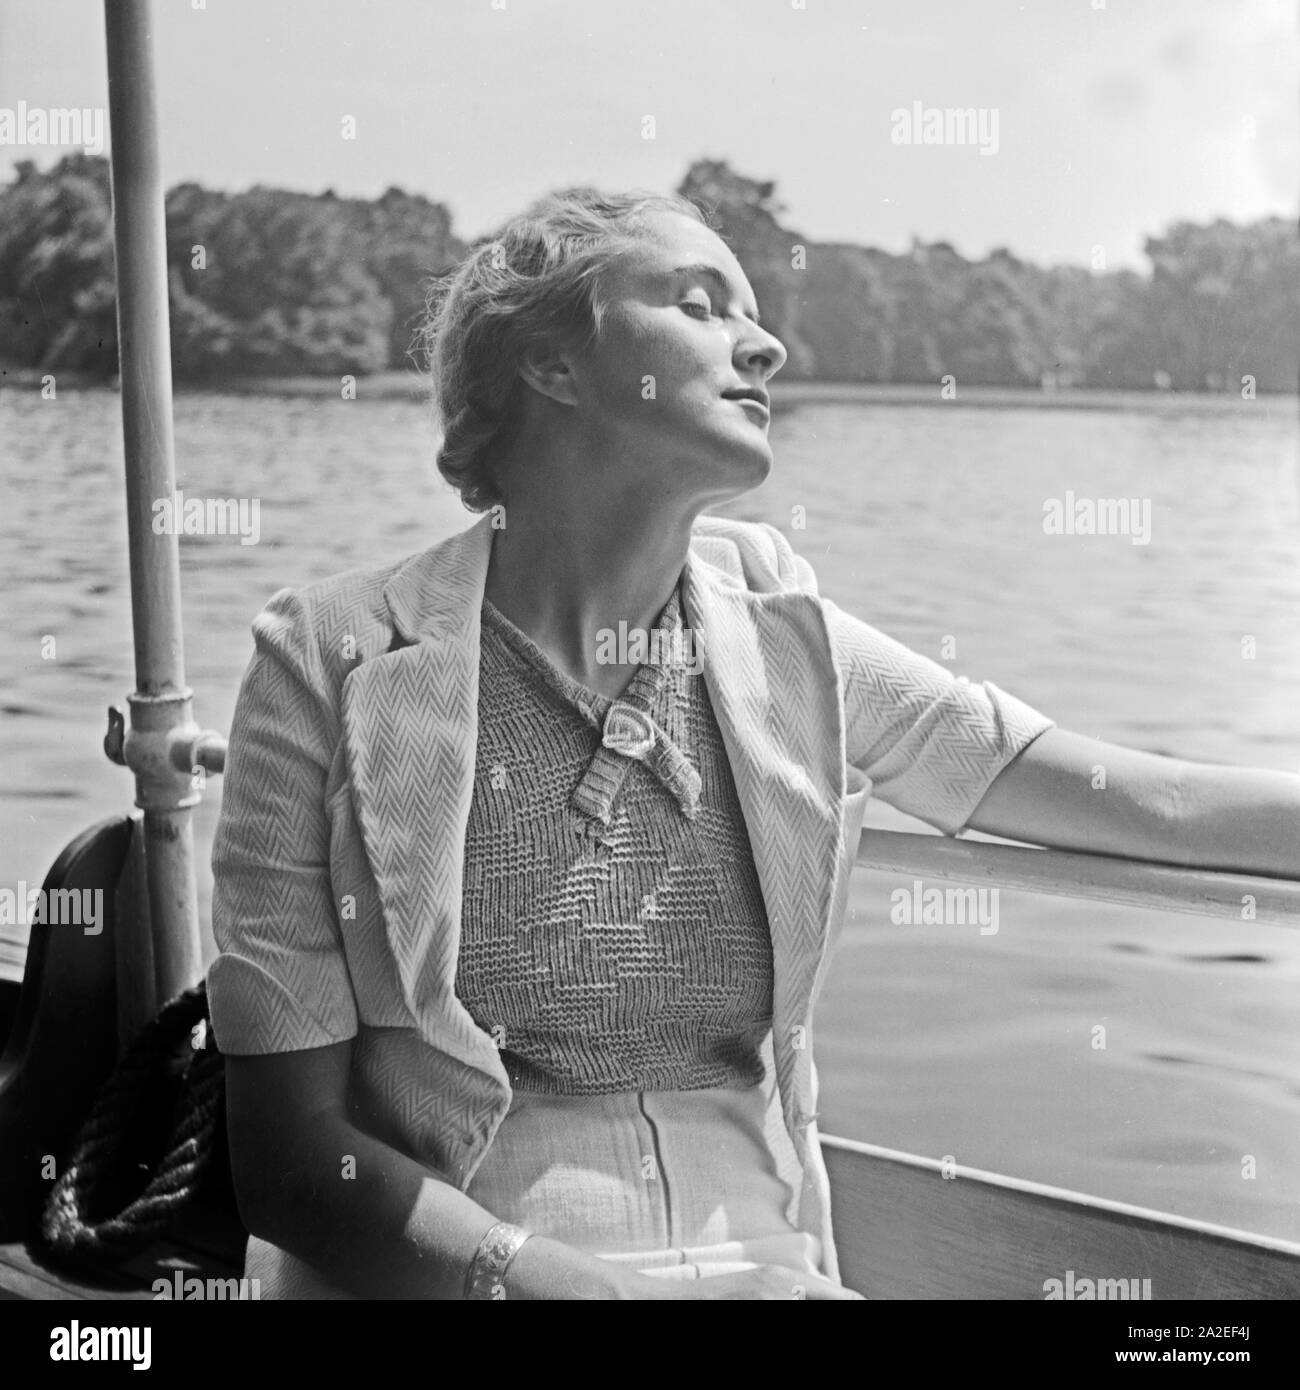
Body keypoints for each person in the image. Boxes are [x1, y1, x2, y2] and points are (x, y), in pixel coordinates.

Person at [208, 187, 1300, 1300]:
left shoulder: (787, 637)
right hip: (452, 1271)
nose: (766, 343)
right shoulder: (332, 659)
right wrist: (537, 1276)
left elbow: (1138, 798)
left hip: (765, 1266)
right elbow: (292, 1164)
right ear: (551, 365)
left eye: (754, 313)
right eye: (700, 304)